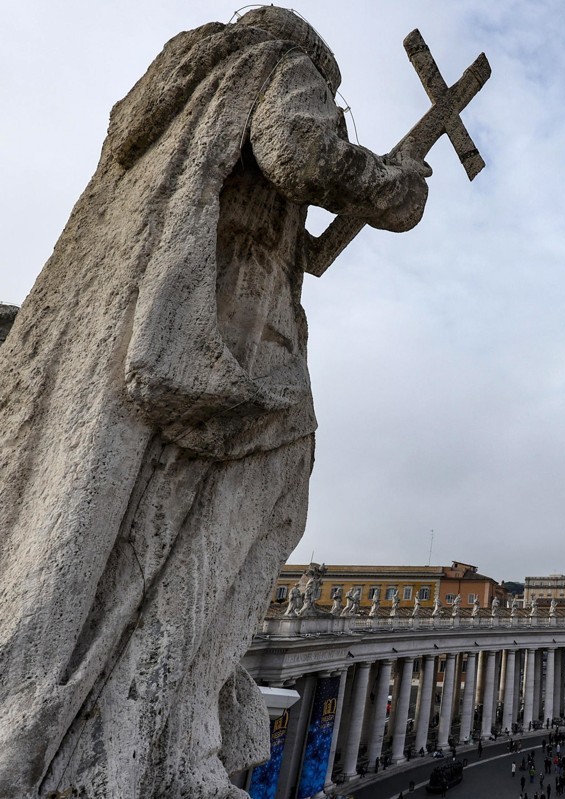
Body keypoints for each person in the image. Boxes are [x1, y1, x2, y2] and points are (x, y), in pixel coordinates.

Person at [0, 8, 430, 798]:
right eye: (331, 98)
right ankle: (159, 721)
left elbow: (299, 236)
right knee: (269, 486)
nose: (331, 107)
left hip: (164, 325)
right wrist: (393, 185)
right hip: (236, 335)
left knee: (152, 518)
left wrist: (362, 193)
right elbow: (300, 150)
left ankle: (144, 717)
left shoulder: (183, 101)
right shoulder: (274, 64)